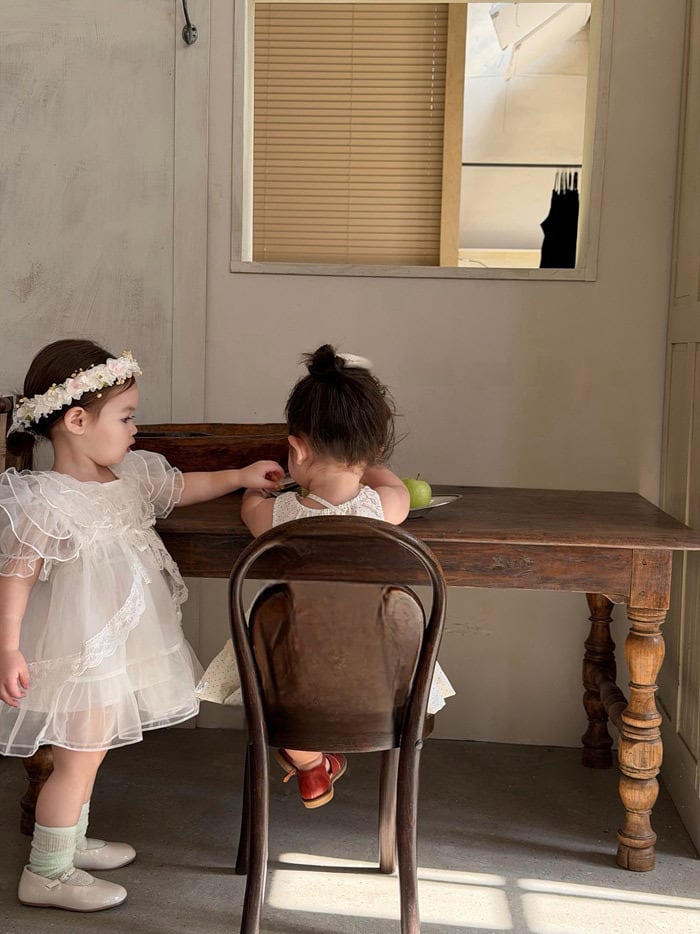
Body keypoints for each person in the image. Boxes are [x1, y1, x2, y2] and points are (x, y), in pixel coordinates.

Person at [0, 339, 284, 913]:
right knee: (76, 757)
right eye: (126, 417)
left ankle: (71, 842)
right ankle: (46, 872)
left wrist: (240, 475)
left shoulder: (129, 475)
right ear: (76, 421)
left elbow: (183, 487)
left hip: (120, 649)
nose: (135, 430)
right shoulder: (44, 500)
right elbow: (16, 576)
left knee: (92, 750)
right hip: (81, 653)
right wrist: (8, 648)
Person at [196, 344, 455, 809]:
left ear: (297, 447)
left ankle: (311, 765)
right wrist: (367, 466)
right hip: (377, 674)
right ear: (374, 449)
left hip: (294, 670)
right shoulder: (384, 506)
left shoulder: (280, 515)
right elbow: (394, 486)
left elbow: (250, 507)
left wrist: (261, 489)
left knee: (278, 690)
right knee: (340, 668)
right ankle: (321, 765)